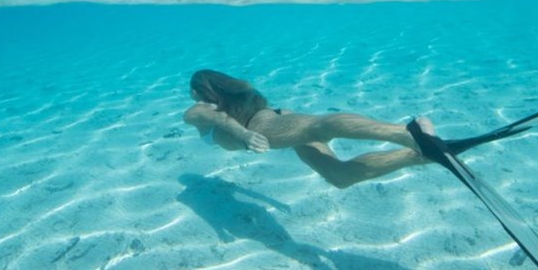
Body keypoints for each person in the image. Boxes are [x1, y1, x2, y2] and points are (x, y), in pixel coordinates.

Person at [183, 69, 429, 189]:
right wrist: (244, 133)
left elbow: (212, 116)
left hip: (260, 126)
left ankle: (408, 133)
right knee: (339, 177)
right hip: (271, 119)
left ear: (196, 91)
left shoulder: (197, 110)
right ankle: (420, 155)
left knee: (317, 127)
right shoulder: (226, 104)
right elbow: (217, 116)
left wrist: (244, 134)